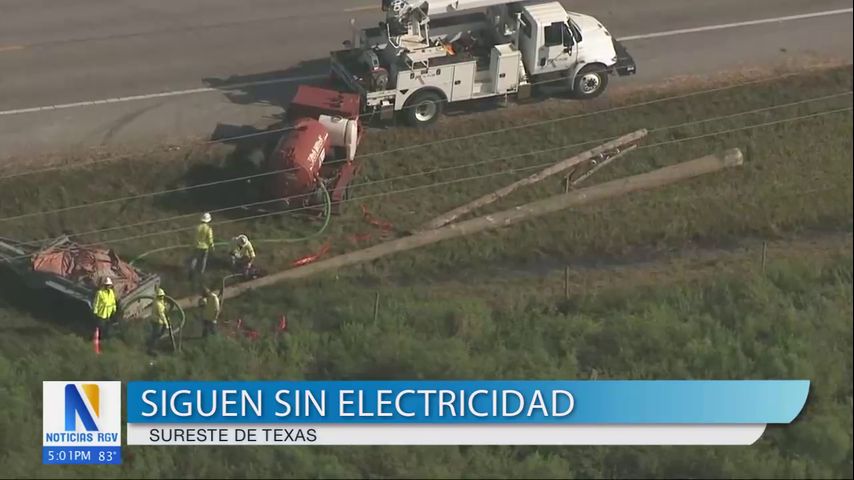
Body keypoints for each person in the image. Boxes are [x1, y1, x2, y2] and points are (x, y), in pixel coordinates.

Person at [188, 212, 214, 282]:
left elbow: (193, 237)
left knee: (194, 259)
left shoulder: (197, 227)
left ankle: (191, 272)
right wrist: (212, 246)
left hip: (196, 246)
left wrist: (192, 245)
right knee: (203, 260)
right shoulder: (208, 229)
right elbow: (210, 239)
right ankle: (201, 274)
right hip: (205, 247)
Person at [147, 288, 170, 354]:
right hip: (157, 321)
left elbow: (162, 304)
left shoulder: (157, 301)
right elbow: (162, 314)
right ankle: (151, 349)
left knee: (155, 335)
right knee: (156, 335)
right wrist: (166, 323)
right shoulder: (158, 304)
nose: (162, 297)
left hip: (155, 320)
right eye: (161, 296)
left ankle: (151, 346)